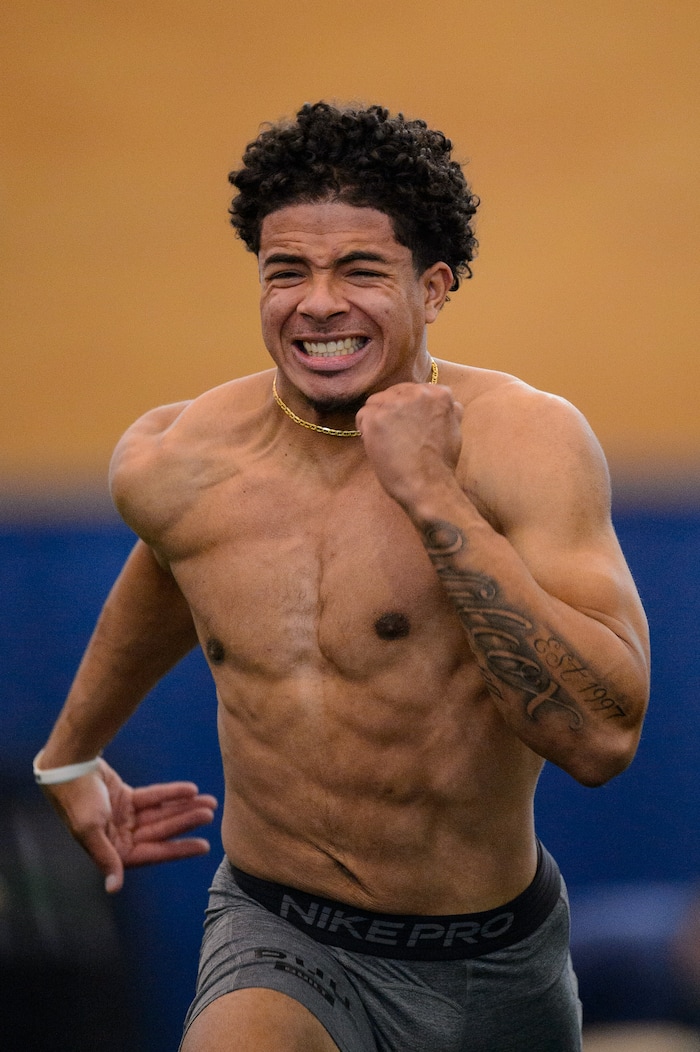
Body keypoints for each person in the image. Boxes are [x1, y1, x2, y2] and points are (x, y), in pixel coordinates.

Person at [35, 101, 650, 1052]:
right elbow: (174, 570)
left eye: (359, 270)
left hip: (498, 961)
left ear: (434, 286)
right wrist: (72, 753)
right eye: (288, 272)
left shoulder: (529, 443)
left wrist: (433, 499)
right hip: (278, 934)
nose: (317, 302)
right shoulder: (182, 457)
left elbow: (602, 739)